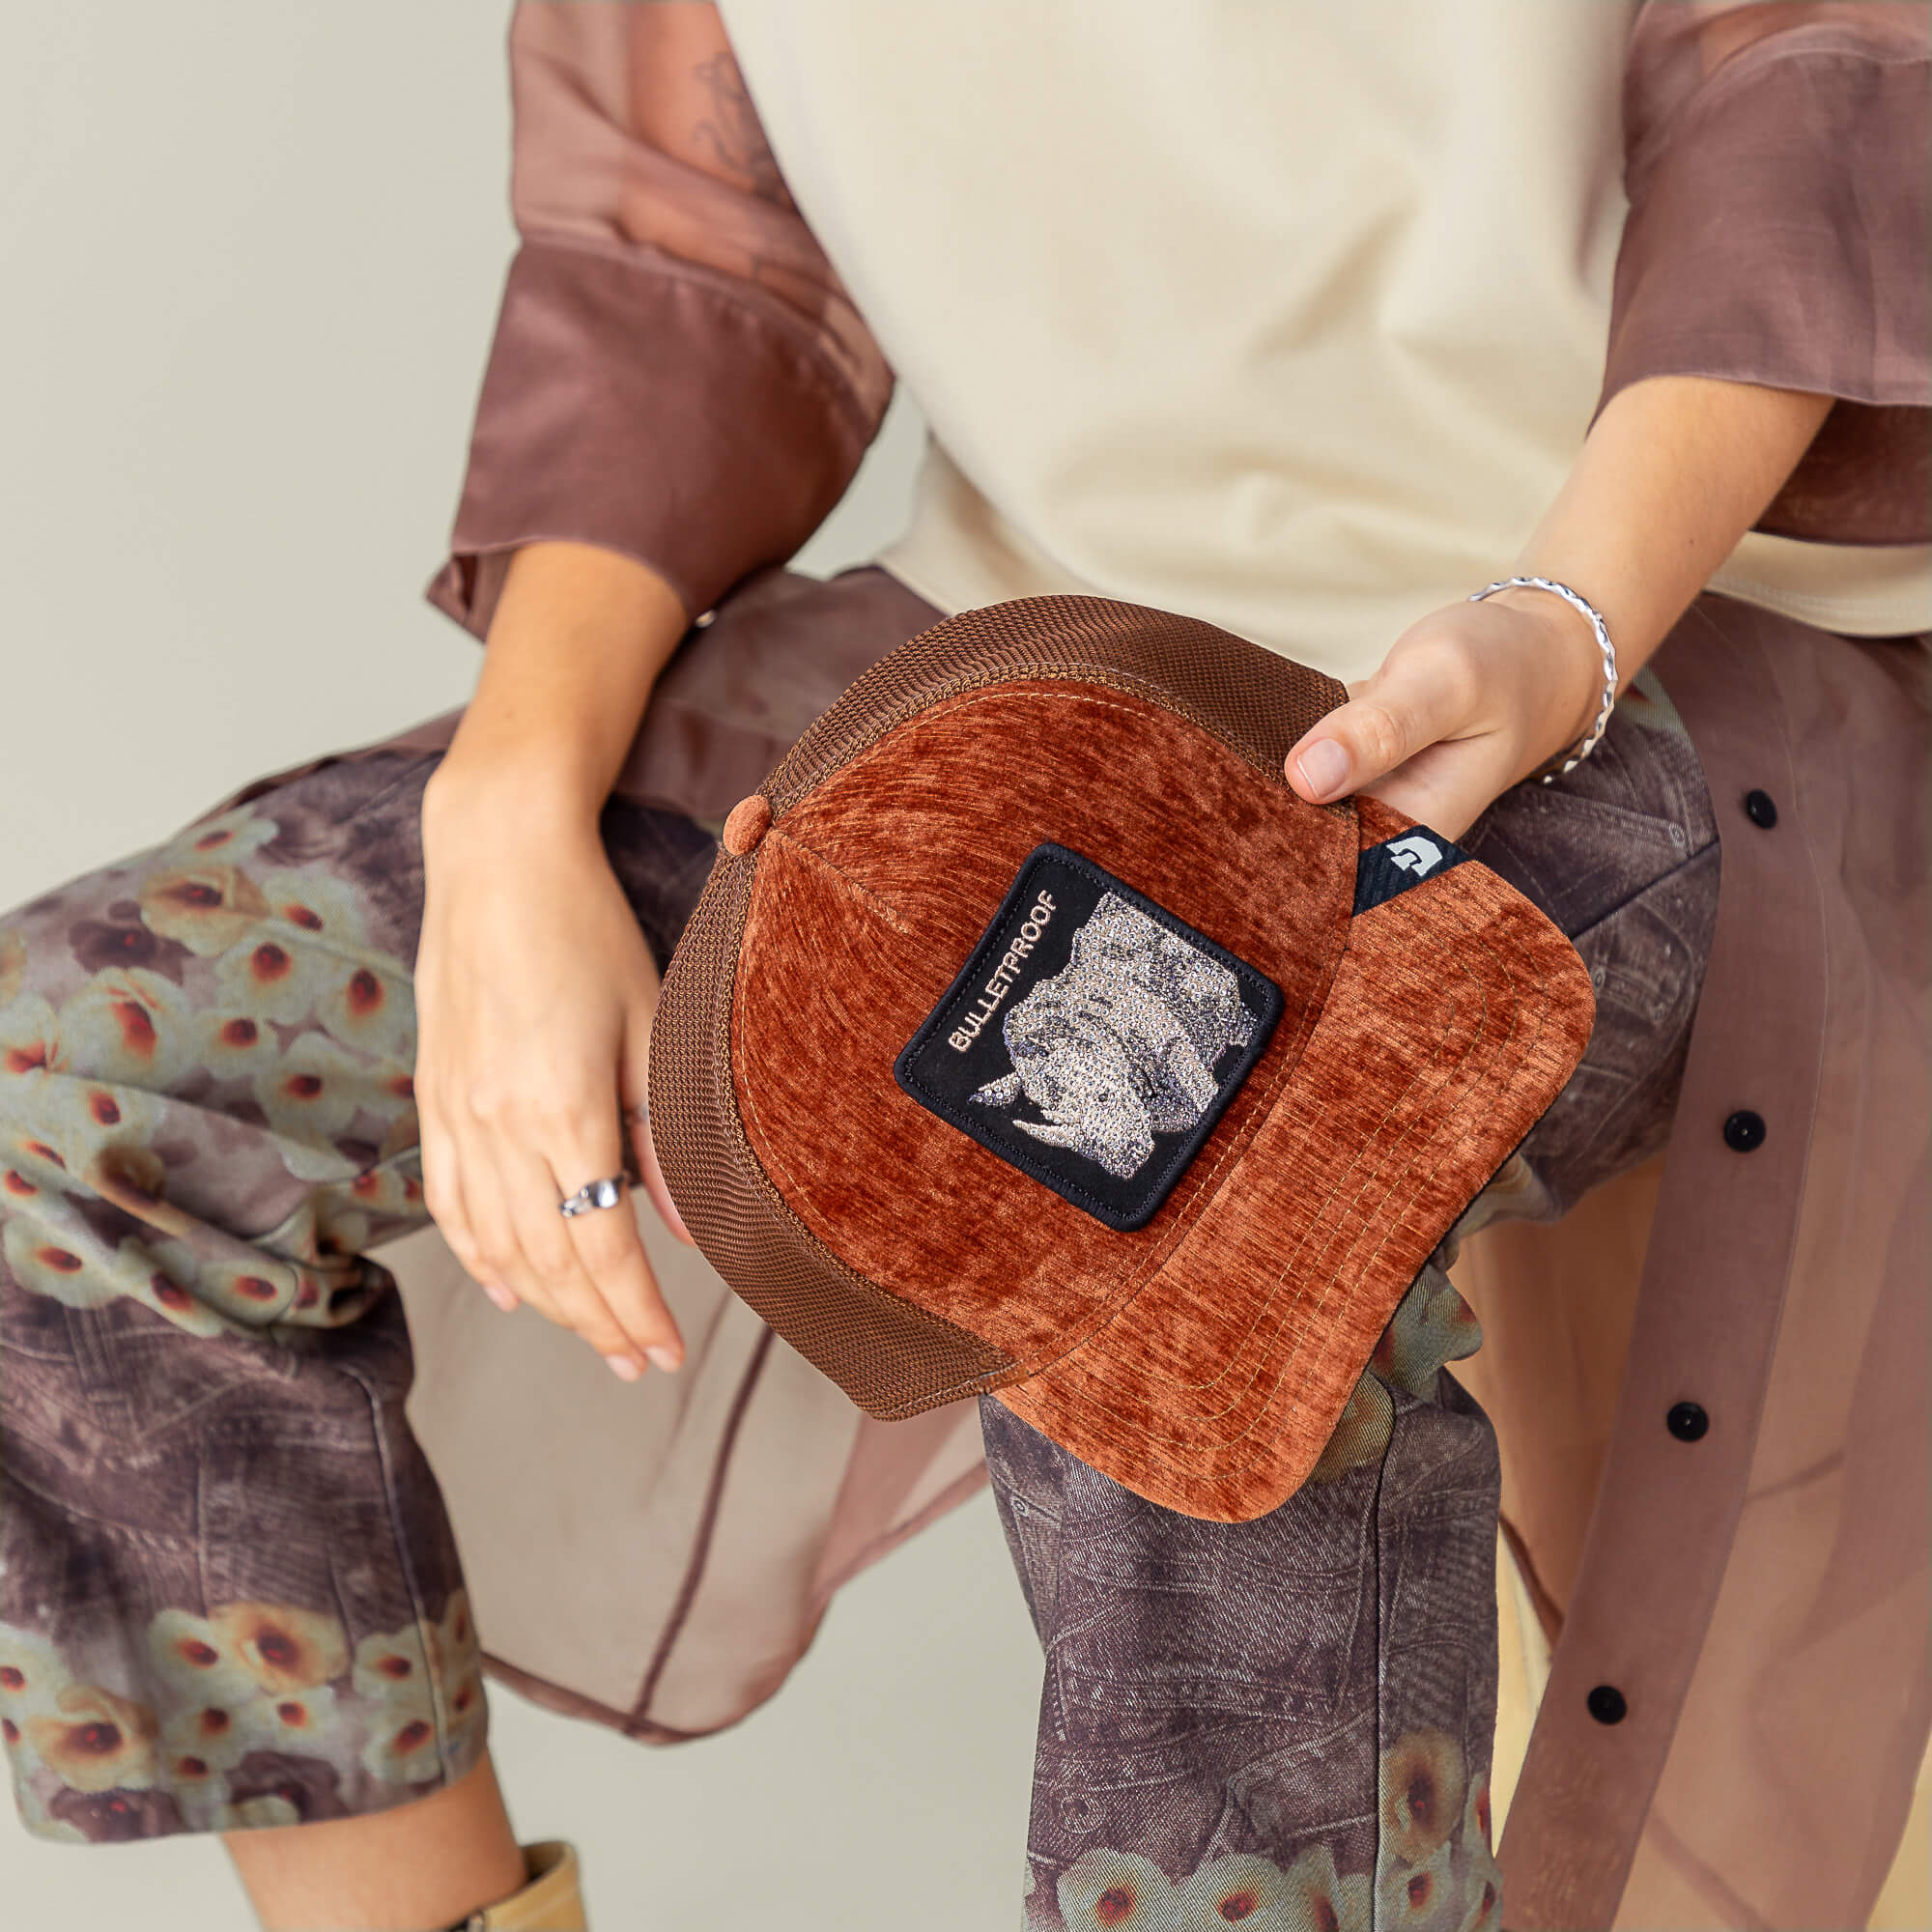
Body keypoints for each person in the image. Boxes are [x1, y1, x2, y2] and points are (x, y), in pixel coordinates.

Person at [1, 3, 1923, 1927]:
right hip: (1019, 650)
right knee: (68, 1082)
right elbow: (678, 254)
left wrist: (1564, 613)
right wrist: (508, 798)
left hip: (1646, 623)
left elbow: (1809, 106)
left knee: (1146, 1241)